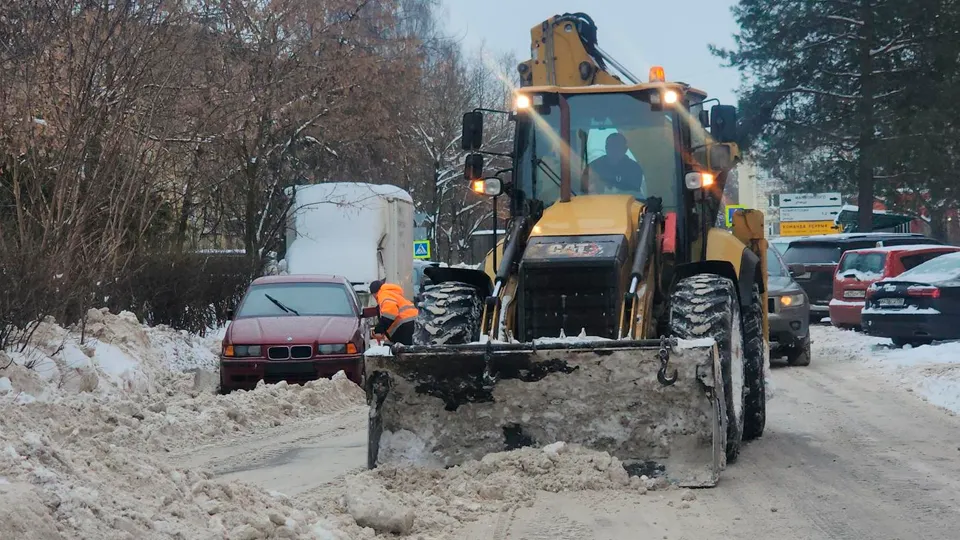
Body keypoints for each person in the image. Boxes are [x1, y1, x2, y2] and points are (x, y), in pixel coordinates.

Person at [585, 132, 646, 196]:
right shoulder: (594, 166)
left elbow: (634, 194)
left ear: (625, 149)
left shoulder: (634, 169)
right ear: (606, 148)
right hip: (597, 201)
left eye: (617, 146)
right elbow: (585, 189)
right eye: (611, 146)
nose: (614, 150)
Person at [370, 279, 418, 345]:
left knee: (405, 349)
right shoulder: (392, 293)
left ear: (374, 293)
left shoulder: (383, 294)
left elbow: (389, 314)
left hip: (405, 325)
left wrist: (378, 330)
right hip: (414, 321)